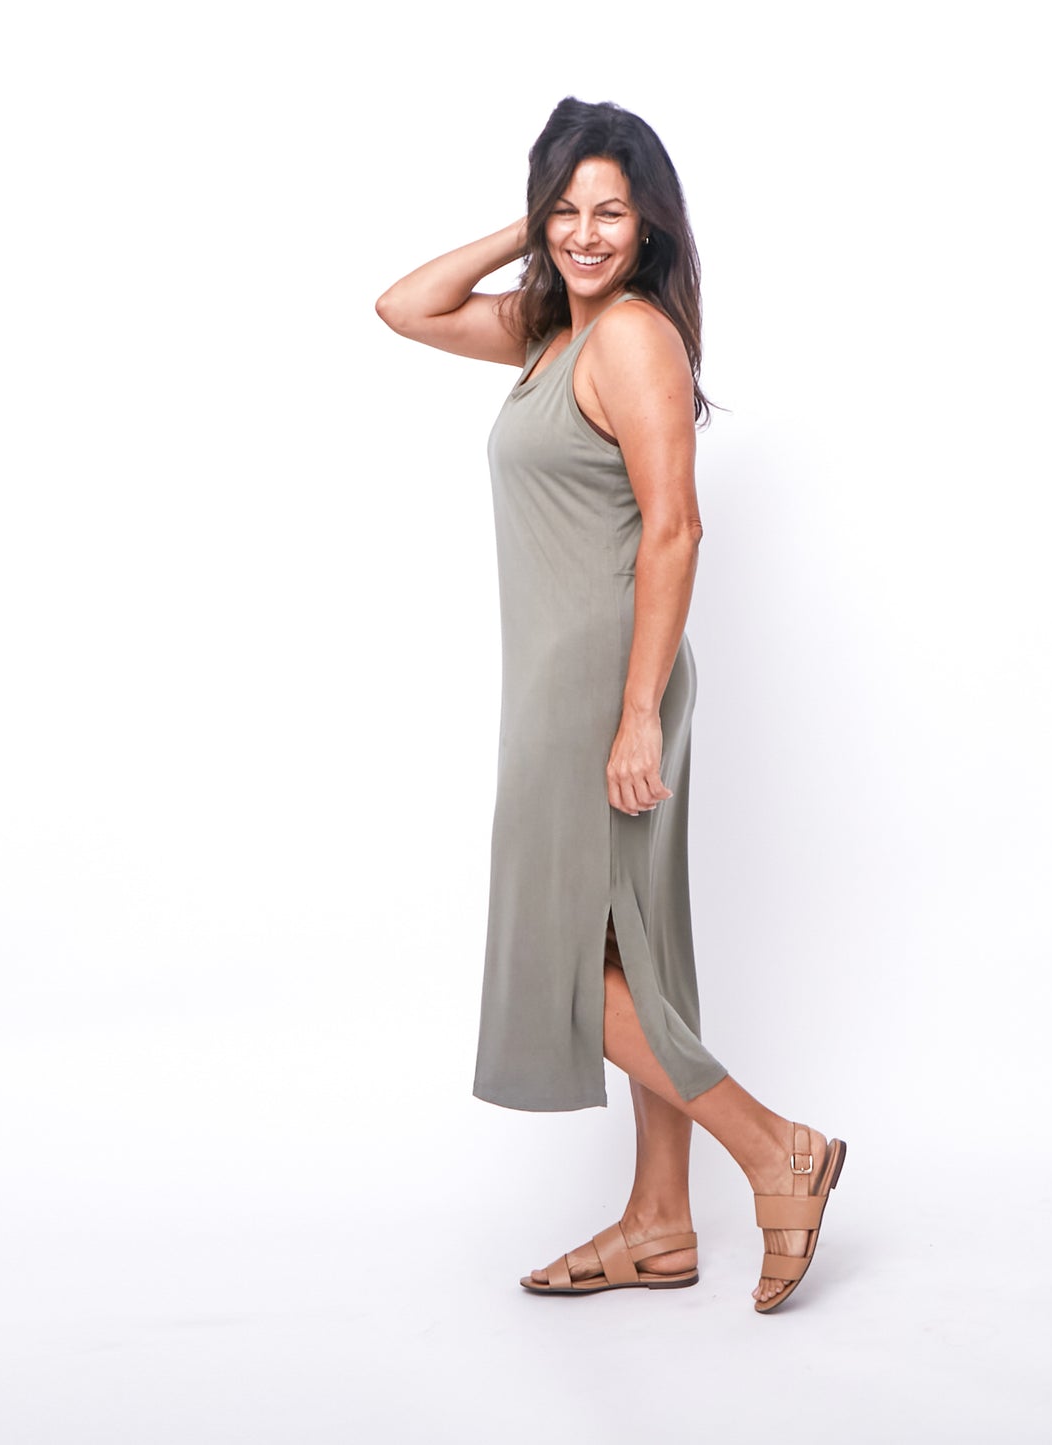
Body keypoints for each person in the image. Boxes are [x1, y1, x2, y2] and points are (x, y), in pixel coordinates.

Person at [375, 97, 844, 1313]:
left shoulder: (629, 338)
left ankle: (773, 1147)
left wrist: (635, 712)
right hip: (564, 673)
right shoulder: (550, 330)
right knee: (621, 945)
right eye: (566, 210)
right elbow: (404, 306)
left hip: (597, 680)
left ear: (648, 228)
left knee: (555, 954)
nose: (585, 234)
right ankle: (659, 1221)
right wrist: (525, 227)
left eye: (610, 213)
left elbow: (675, 527)